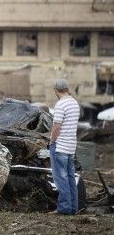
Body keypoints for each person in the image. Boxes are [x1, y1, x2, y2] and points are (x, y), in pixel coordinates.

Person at [49, 79, 80, 214]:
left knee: (61, 178)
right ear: (67, 89)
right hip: (71, 146)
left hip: (60, 146)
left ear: (56, 90)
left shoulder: (60, 104)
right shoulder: (74, 103)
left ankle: (64, 208)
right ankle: (73, 207)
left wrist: (51, 141)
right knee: (70, 177)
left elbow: (56, 127)